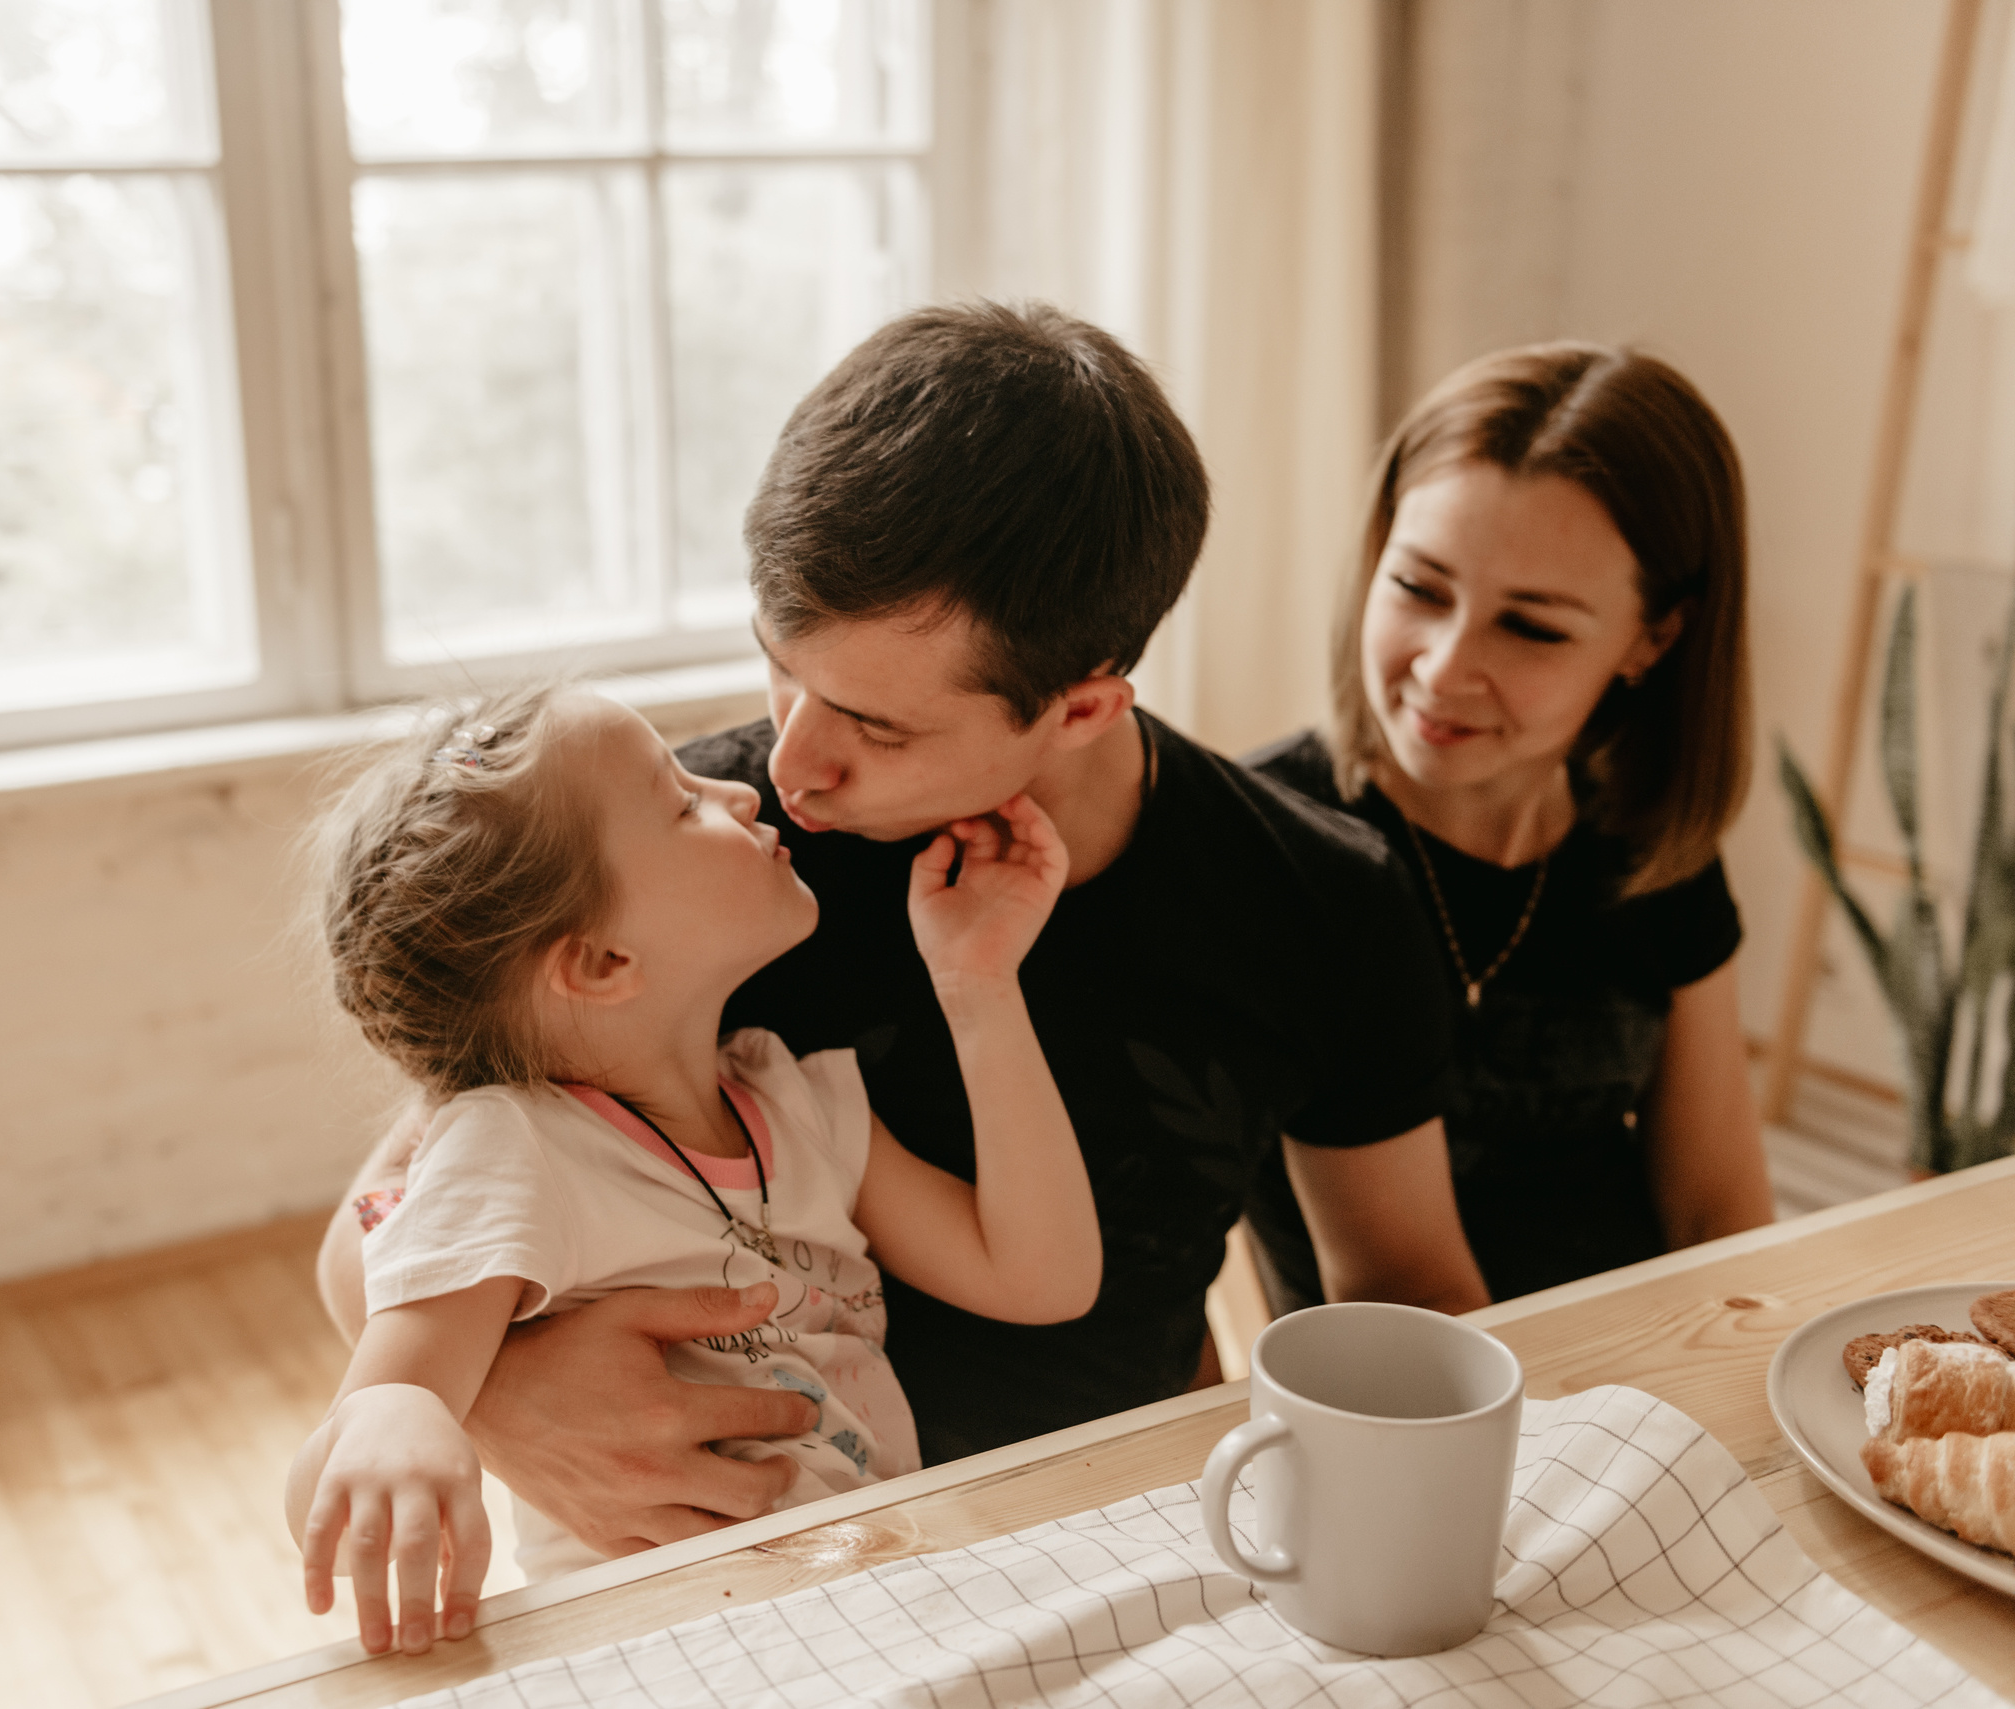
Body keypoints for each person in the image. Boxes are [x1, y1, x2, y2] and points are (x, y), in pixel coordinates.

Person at [318, 301, 1491, 1562]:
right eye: (781, 665)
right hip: (763, 1575)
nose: (792, 762)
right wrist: (498, 1404)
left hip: (1121, 1538)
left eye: (878, 728)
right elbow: (382, 1226)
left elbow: (1407, 1293)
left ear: (1083, 704)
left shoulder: (1321, 900)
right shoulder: (687, 871)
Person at [286, 684, 1100, 1655]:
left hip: (868, 1601)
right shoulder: (510, 1147)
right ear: (599, 961)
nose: (738, 791)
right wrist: (397, 1419)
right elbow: (374, 1408)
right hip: (670, 1641)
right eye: (681, 799)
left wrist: (979, 983)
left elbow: (1041, 1276)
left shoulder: (794, 1101)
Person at [1244, 343, 1774, 1312]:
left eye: (1530, 627)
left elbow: (1714, 1211)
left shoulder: (1646, 839)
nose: (1443, 670)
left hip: (1634, 1369)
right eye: (1417, 587)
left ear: (1652, 640)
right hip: (1406, 1401)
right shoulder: (1257, 845)